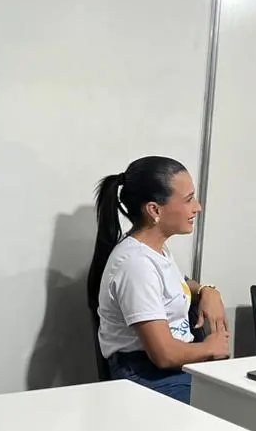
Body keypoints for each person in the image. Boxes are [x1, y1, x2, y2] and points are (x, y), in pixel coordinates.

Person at [86, 156, 230, 403]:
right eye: (188, 199)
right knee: (236, 412)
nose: (197, 207)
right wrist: (210, 347)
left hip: (176, 369)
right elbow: (164, 355)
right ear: (154, 210)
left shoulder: (156, 252)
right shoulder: (135, 263)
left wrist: (206, 291)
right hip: (149, 376)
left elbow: (179, 284)